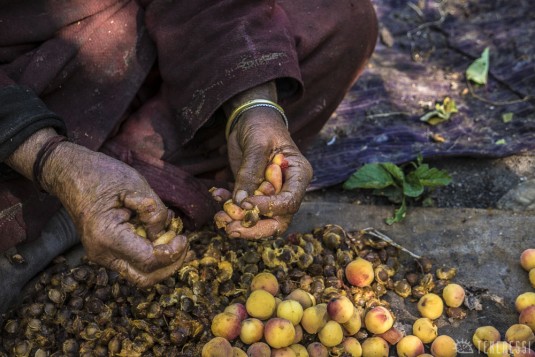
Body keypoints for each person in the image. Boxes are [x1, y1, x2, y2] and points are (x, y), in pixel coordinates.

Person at [0, 0, 378, 289]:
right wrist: (50, 158)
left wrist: (253, 105)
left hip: (134, 35)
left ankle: (117, 200)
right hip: (21, 84)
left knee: (340, 18)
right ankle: (48, 209)